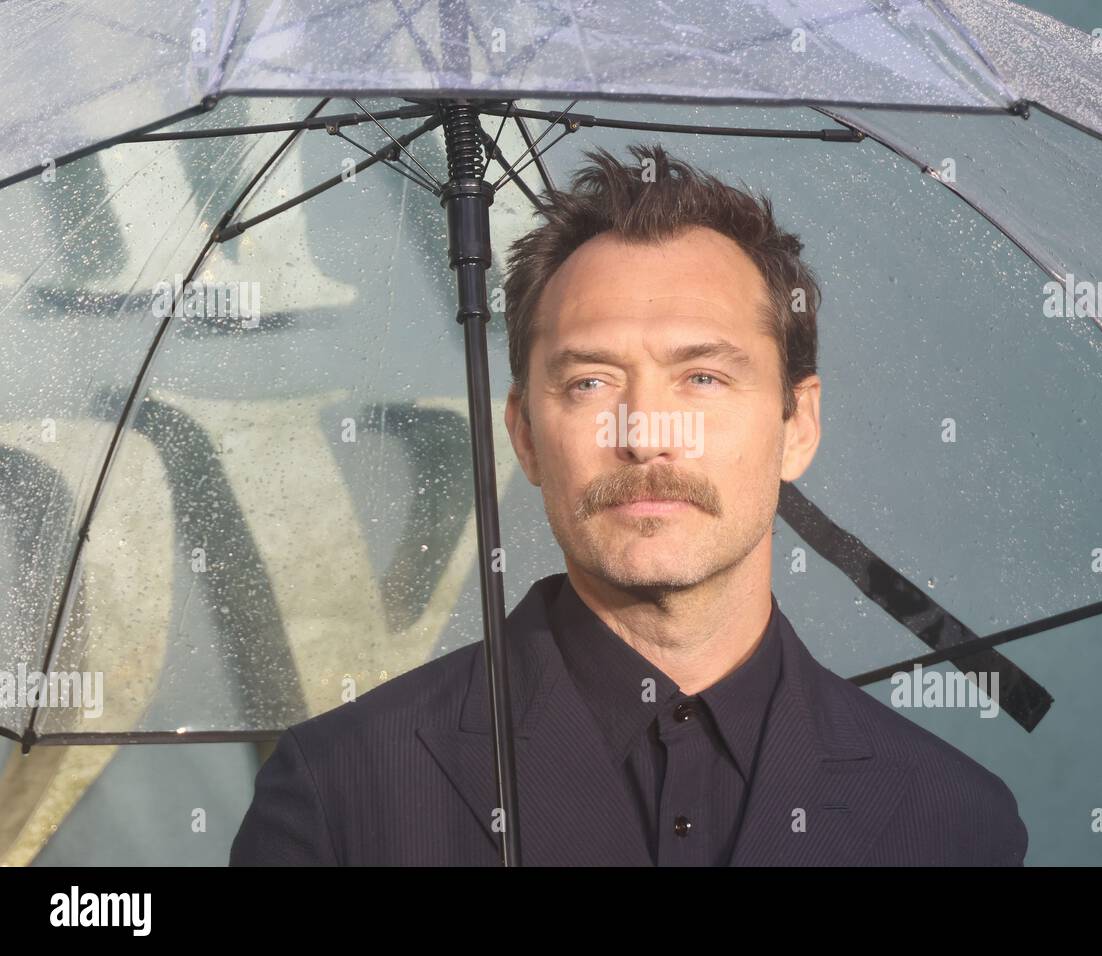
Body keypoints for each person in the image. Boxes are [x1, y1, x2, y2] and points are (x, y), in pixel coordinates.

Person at [230, 142, 1028, 866]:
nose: (647, 435)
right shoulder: (340, 795)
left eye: (703, 378)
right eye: (590, 383)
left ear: (798, 424)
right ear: (527, 435)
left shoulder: (956, 823)